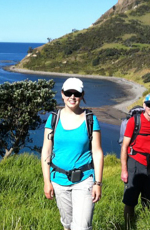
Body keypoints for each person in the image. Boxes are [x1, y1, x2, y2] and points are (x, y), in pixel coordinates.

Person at [41, 77, 104, 230]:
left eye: (76, 93)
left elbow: (97, 152)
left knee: (81, 227)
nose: (72, 97)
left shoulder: (90, 119)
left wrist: (98, 183)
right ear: (62, 94)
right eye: (68, 93)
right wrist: (47, 181)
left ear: (82, 95)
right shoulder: (53, 119)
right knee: (68, 224)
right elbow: (46, 151)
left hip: (84, 179)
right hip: (58, 179)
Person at [120, 93, 150, 225]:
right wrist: (124, 170)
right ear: (144, 106)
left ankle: (147, 225)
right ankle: (129, 226)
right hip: (134, 164)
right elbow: (124, 147)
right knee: (130, 200)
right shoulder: (134, 121)